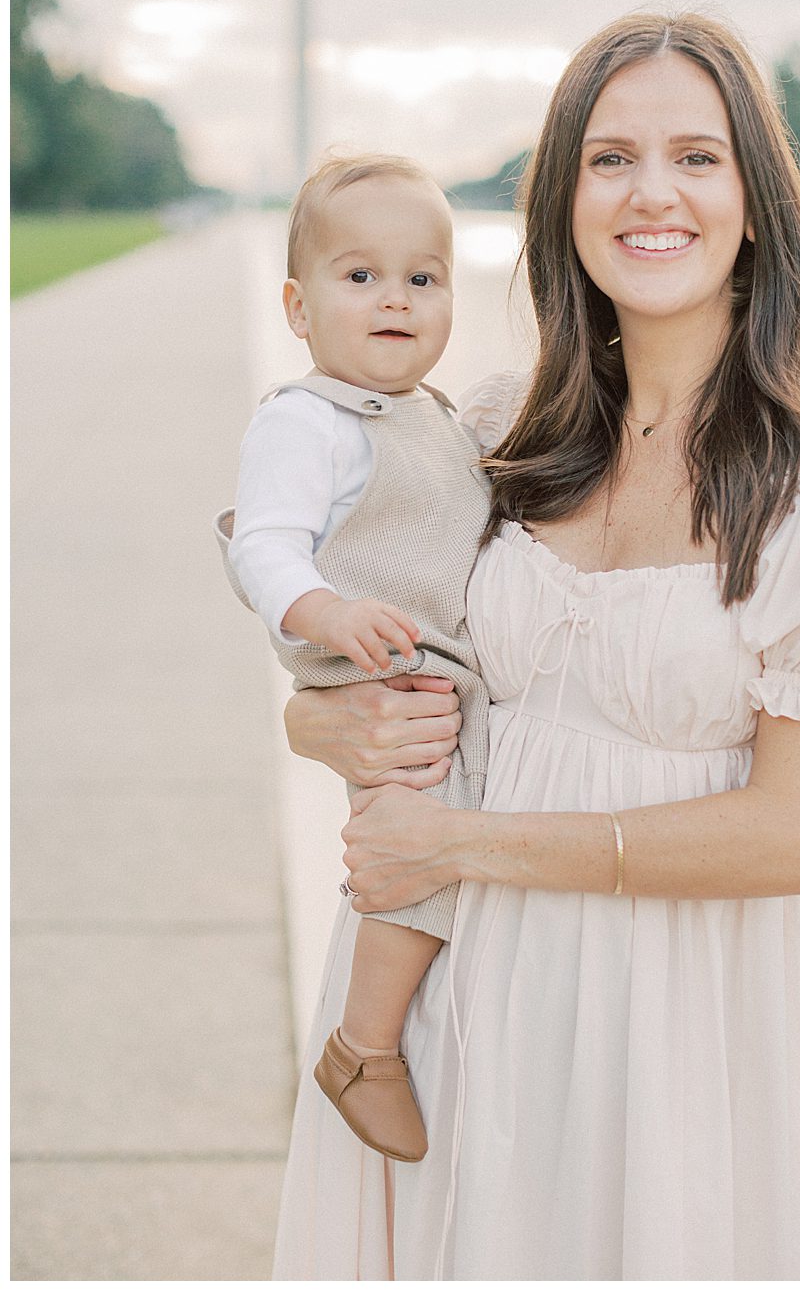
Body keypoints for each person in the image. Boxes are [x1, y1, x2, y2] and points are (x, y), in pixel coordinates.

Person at [270, 13, 800, 1280]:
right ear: (562, 202)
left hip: (692, 1033)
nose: (653, 193)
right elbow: (374, 667)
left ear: (756, 203)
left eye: (697, 158)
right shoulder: (482, 432)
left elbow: (792, 835)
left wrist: (461, 839)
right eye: (609, 159)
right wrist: (317, 722)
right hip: (453, 1002)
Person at [214, 153, 491, 1165]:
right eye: (360, 276)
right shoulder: (307, 420)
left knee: (449, 854)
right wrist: (326, 611)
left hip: (436, 677)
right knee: (414, 865)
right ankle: (361, 1047)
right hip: (373, 677)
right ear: (296, 305)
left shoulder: (439, 414)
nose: (395, 299)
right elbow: (264, 547)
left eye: (423, 278)